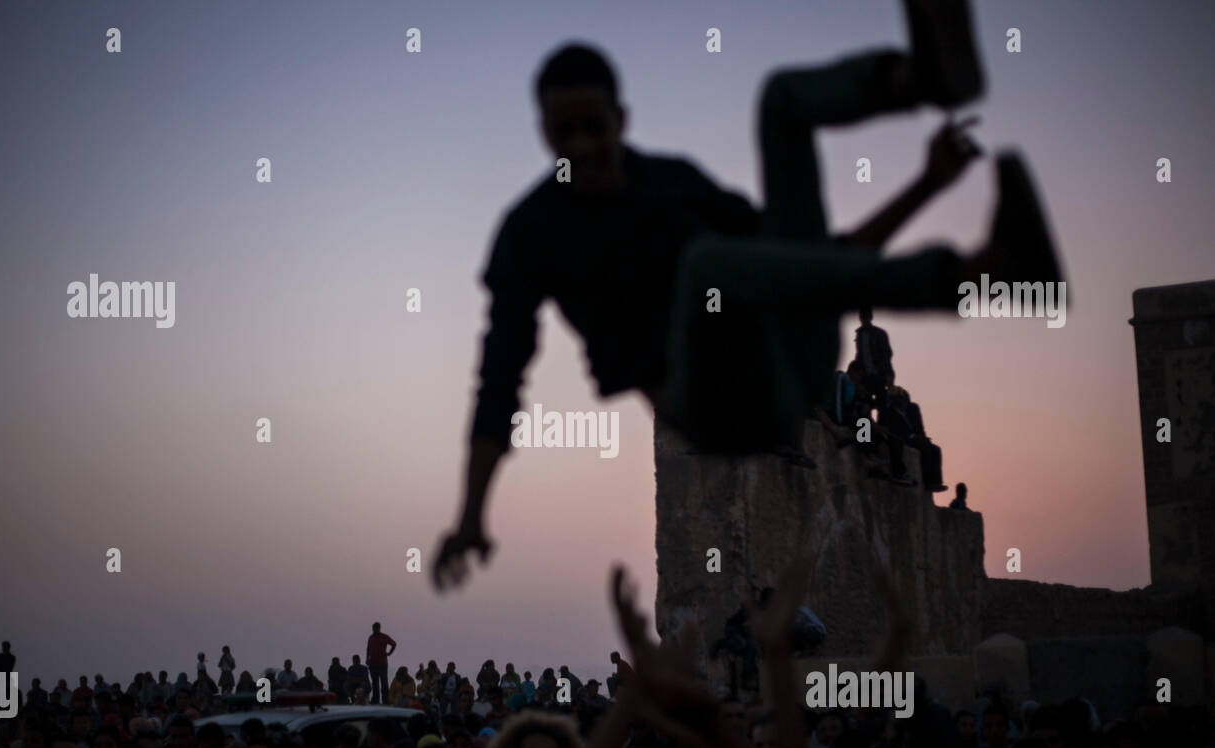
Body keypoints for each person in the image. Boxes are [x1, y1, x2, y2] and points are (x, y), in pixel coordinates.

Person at [433, 6, 1064, 591]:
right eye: (563, 133)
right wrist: (470, 517)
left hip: (793, 359)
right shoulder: (531, 231)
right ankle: (981, 273)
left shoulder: (673, 184)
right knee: (707, 268)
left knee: (781, 100)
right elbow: (499, 380)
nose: (581, 148)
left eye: (593, 128)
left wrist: (925, 186)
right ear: (543, 133)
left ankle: (917, 79)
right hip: (716, 412)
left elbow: (810, 265)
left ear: (621, 121)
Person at [366, 623, 397, 705]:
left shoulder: (384, 637)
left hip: (382, 664)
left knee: (384, 683)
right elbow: (368, 649)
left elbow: (394, 644)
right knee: (375, 683)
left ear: (379, 628)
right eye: (374, 628)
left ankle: (385, 701)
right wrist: (367, 658)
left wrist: (389, 653)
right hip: (373, 664)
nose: (375, 630)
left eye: (376, 628)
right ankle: (375, 700)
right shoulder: (371, 638)